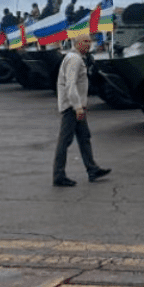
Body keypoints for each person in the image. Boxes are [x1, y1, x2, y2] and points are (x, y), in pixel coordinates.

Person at [53, 36, 111, 187]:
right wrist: (77, 107)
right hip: (72, 107)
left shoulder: (76, 58)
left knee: (84, 137)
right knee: (64, 141)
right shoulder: (74, 59)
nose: (89, 44)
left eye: (89, 41)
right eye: (85, 41)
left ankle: (92, 169)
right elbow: (70, 86)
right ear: (77, 44)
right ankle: (58, 175)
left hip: (76, 106)